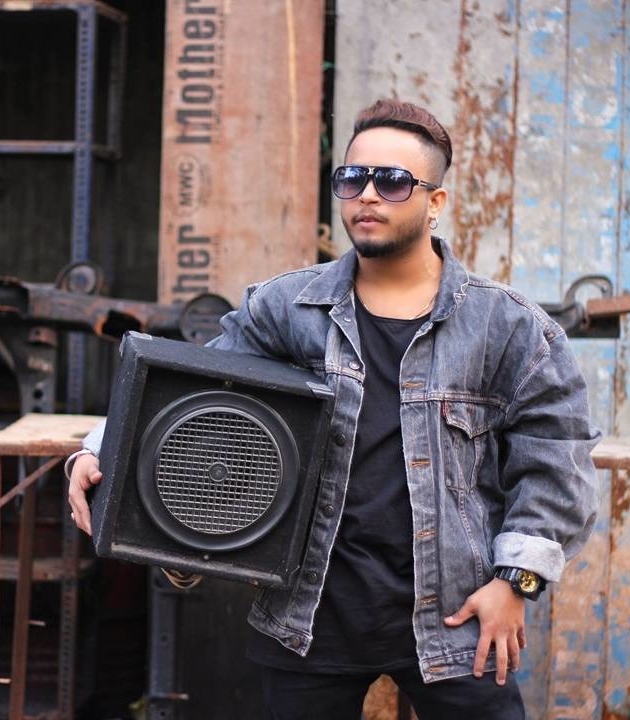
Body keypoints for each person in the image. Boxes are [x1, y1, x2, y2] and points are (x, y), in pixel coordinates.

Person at [66, 98, 600, 719]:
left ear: (435, 202)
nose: (368, 194)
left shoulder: (506, 326)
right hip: (309, 614)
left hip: (456, 616)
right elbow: (190, 391)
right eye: (353, 178)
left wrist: (516, 584)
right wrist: (101, 451)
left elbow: (557, 457)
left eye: (393, 181)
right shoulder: (286, 308)